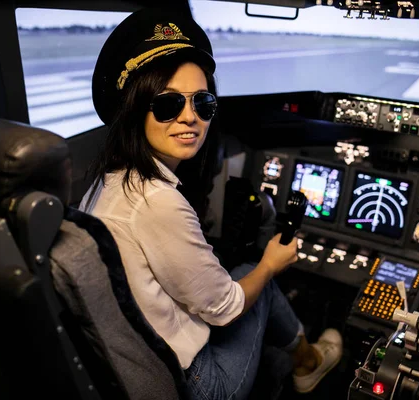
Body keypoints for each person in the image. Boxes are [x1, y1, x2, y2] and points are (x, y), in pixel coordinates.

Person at [81, 6, 342, 399]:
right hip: (197, 386)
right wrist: (272, 264)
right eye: (169, 104)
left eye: (202, 104)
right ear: (135, 110)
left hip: (136, 370)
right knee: (259, 275)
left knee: (243, 269)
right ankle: (308, 363)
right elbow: (227, 309)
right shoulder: (156, 201)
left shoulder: (109, 179)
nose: (190, 118)